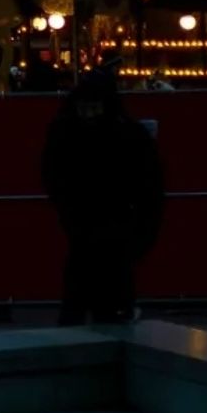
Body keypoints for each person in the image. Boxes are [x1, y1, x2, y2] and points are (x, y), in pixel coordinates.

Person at [42, 68, 165, 325]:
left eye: (93, 109)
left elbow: (51, 172)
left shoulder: (67, 128)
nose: (89, 115)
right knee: (103, 286)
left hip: (103, 215)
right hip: (102, 215)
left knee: (91, 284)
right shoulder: (126, 132)